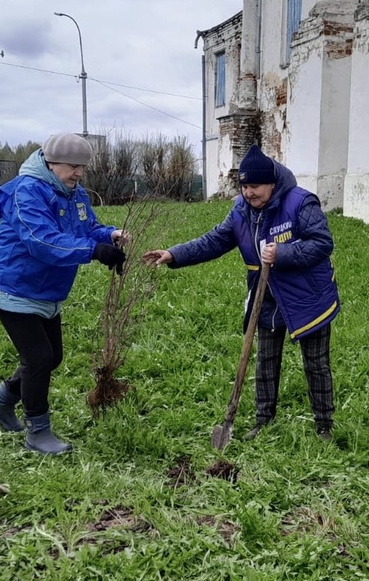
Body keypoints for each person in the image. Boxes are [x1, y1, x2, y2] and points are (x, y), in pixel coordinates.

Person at [142, 145, 339, 441]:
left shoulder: (300, 203)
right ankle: (263, 420)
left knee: (315, 362)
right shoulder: (241, 211)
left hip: (307, 295)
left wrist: (282, 253)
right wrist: (174, 254)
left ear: (272, 183)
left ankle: (324, 425)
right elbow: (214, 240)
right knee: (266, 359)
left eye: (255, 186)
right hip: (267, 294)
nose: (249, 192)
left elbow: (322, 243)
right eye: (244, 186)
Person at [0, 132, 128, 455]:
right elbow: (41, 240)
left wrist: (109, 235)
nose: (79, 173)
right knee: (39, 358)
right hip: (13, 287)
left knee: (53, 357)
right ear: (51, 162)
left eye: (82, 167)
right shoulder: (27, 191)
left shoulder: (75, 194)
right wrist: (94, 252)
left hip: (46, 291)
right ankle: (38, 432)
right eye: (73, 166)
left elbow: (88, 229)